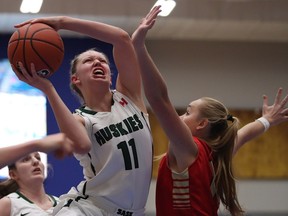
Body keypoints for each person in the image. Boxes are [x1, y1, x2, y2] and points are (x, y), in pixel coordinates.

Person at [132, 5, 288, 216]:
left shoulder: (190, 148)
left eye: (187, 112)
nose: (179, 116)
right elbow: (247, 132)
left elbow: (159, 100)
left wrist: (139, 46)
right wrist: (267, 120)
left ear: (202, 124)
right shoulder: (218, 152)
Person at [13, 15, 153, 216]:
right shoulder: (82, 119)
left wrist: (62, 22)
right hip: (91, 209)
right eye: (89, 60)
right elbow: (78, 142)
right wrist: (48, 88)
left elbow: (122, 38)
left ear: (110, 74)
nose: (97, 61)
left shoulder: (129, 96)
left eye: (102, 61)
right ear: (75, 78)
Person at [0, 133, 73, 169]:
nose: (36, 161)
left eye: (38, 158)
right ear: (13, 174)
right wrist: (37, 145)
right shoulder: (7, 199)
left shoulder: (57, 199)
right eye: (26, 159)